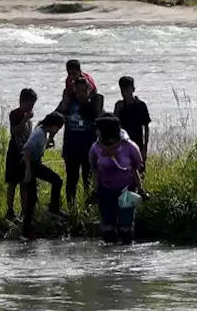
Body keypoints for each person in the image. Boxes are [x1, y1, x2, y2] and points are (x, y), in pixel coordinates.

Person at [89, 115, 145, 244]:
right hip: (105, 190)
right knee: (108, 228)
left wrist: (140, 189)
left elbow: (137, 165)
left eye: (99, 129)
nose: (96, 131)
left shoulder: (129, 146)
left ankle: (125, 256)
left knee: (125, 227)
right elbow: (94, 170)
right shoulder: (96, 148)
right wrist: (95, 191)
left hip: (127, 189)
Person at [21, 112, 67, 239]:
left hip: (34, 165)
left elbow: (37, 149)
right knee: (56, 182)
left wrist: (48, 142)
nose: (57, 131)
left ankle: (27, 231)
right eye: (58, 128)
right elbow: (26, 150)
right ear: (53, 126)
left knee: (33, 198)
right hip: (30, 165)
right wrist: (28, 171)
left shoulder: (42, 132)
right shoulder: (39, 133)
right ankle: (52, 209)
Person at [58, 77, 100, 207]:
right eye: (79, 90)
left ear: (89, 90)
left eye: (84, 90)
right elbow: (56, 118)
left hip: (88, 149)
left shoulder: (93, 105)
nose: (82, 93)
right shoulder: (69, 104)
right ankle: (72, 208)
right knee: (72, 180)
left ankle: (88, 208)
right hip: (71, 148)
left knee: (88, 180)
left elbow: (100, 123)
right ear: (75, 90)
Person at [4, 88, 38, 222]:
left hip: (25, 155)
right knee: (12, 183)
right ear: (22, 101)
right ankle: (10, 211)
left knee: (24, 184)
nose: (31, 107)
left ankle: (24, 212)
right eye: (30, 104)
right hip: (14, 153)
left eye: (33, 105)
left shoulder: (29, 119)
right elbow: (14, 131)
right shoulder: (15, 114)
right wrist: (24, 119)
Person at [113, 76, 151, 163]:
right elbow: (114, 126)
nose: (125, 93)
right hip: (122, 144)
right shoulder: (119, 105)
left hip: (138, 142)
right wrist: (117, 111)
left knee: (139, 170)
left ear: (133, 89)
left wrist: (145, 147)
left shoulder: (140, 105)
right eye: (122, 91)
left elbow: (146, 127)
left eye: (127, 90)